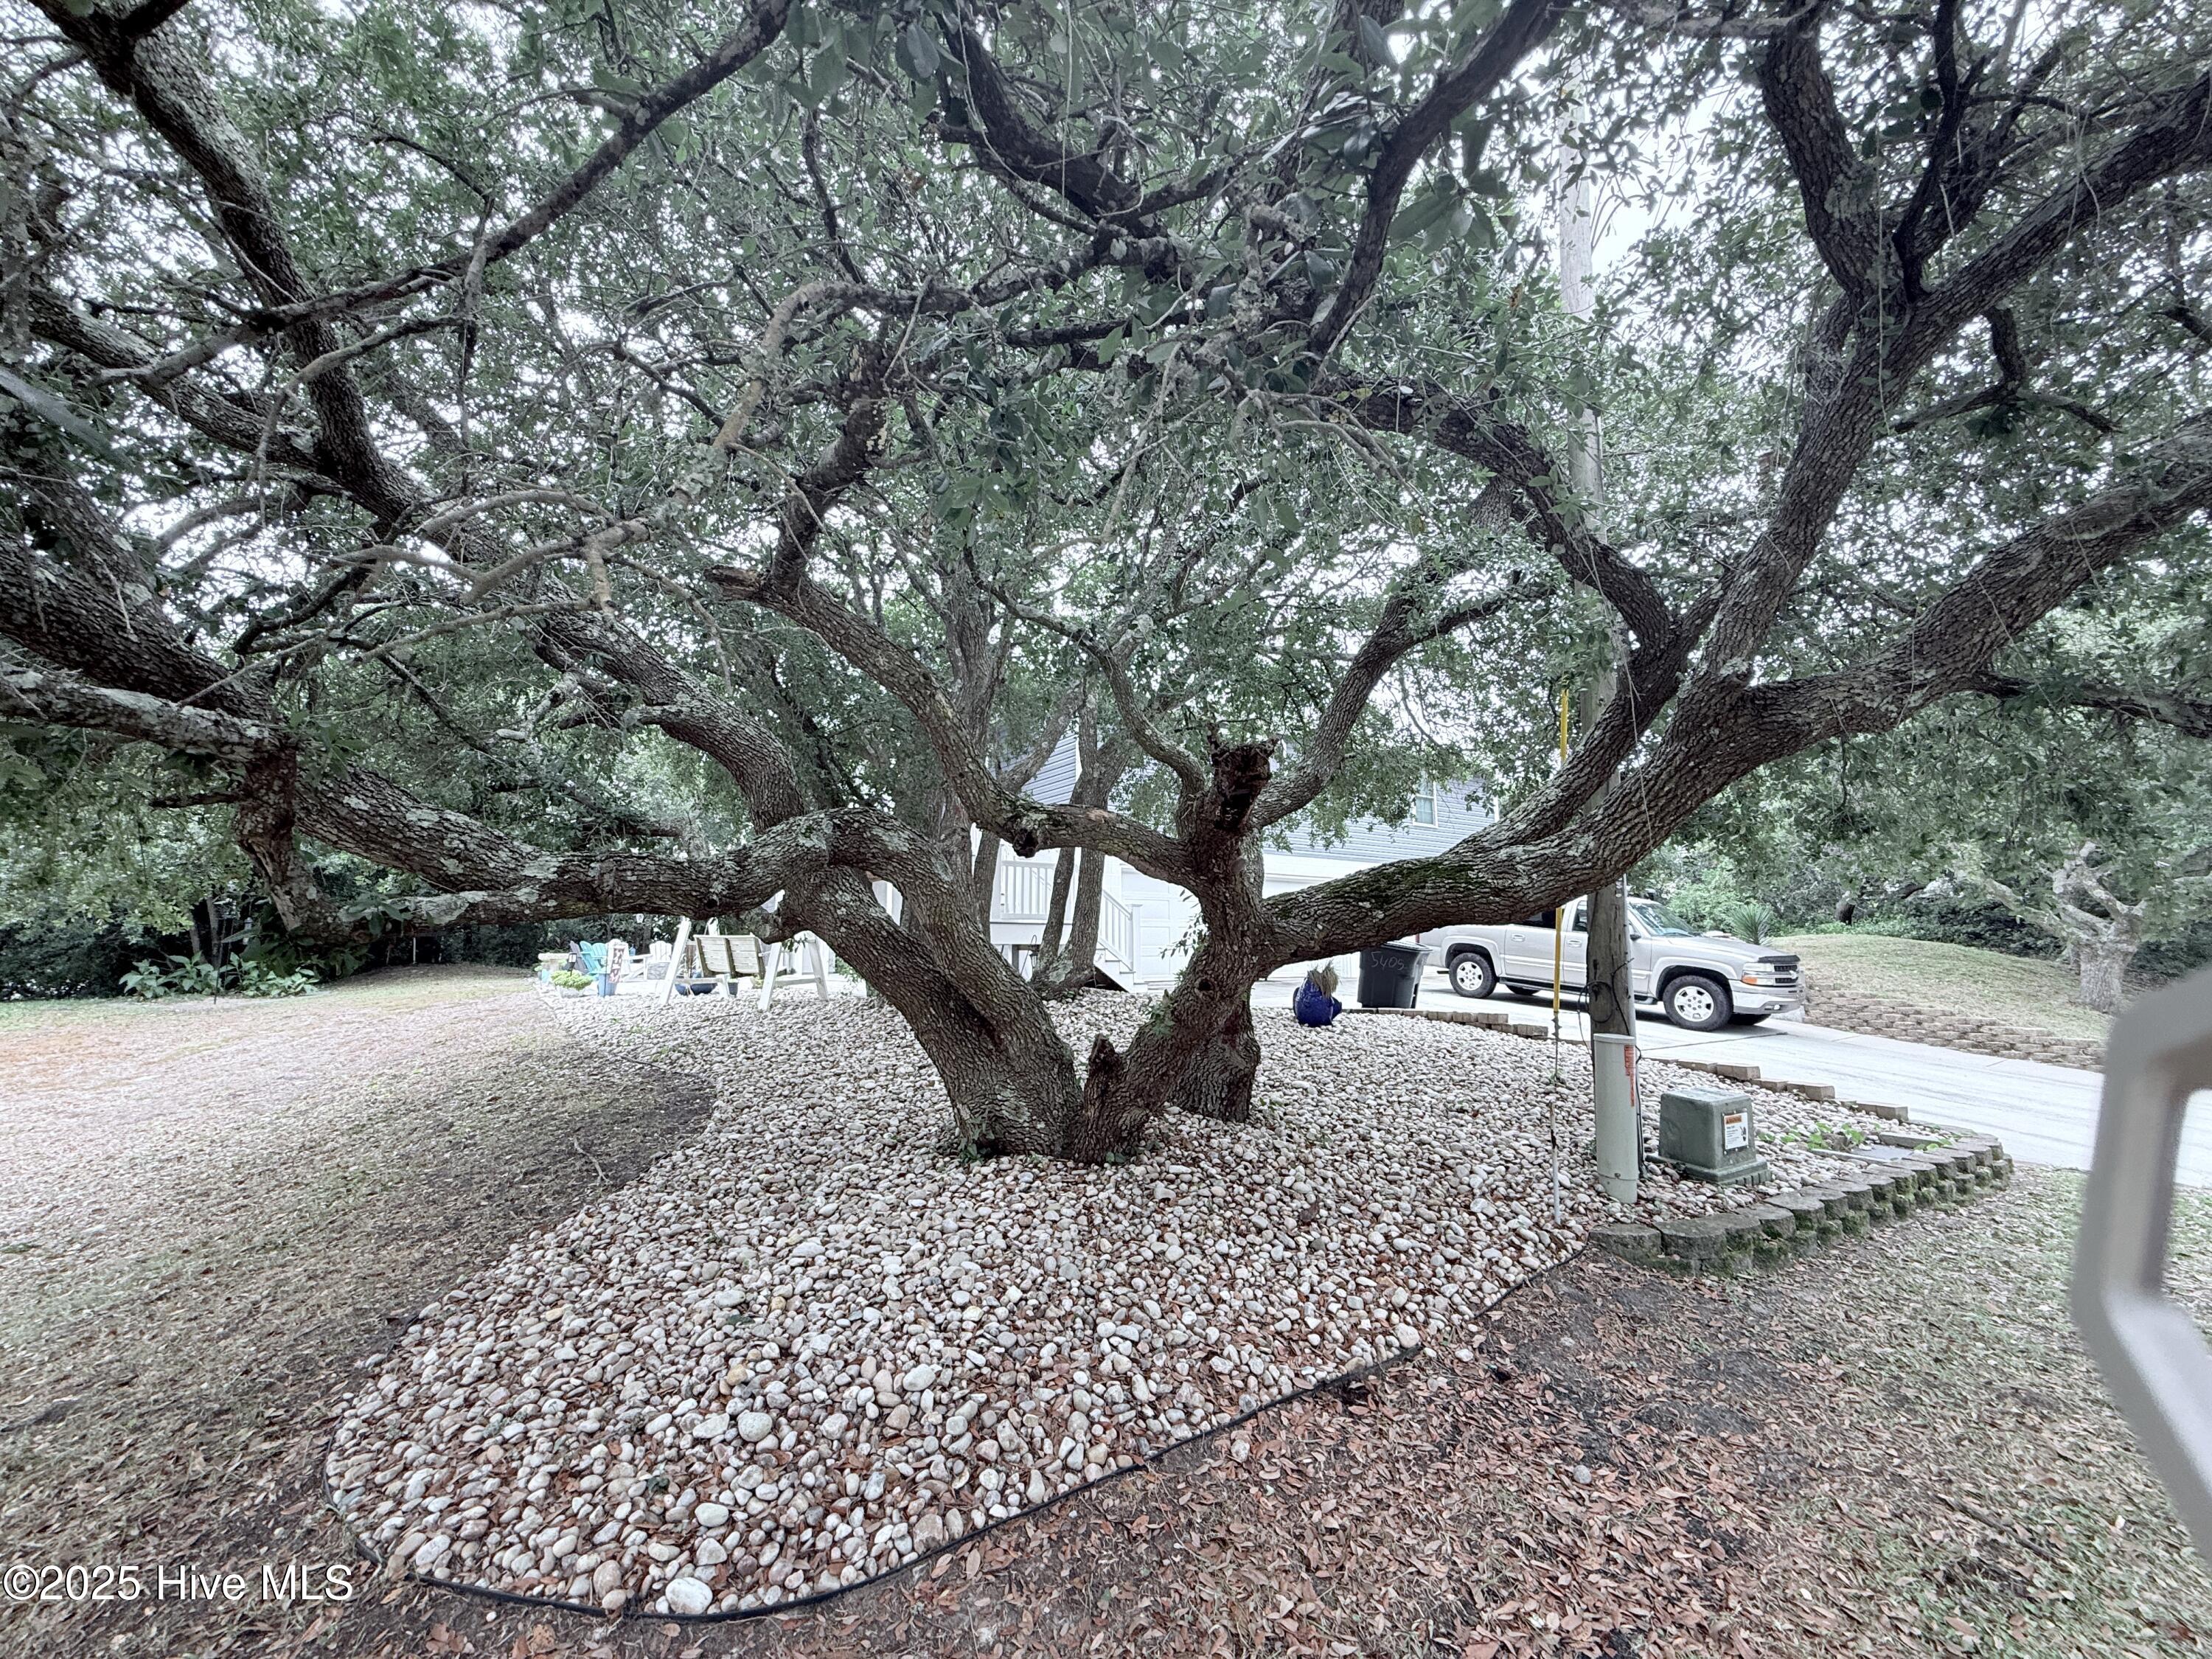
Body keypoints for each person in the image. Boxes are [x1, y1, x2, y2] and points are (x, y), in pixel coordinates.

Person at [1293, 962, 1343, 1027]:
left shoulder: (1306, 989)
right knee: (1336, 1005)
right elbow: (1331, 1003)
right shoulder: (1320, 993)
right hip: (1322, 1019)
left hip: (1303, 1017)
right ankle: (1326, 1021)